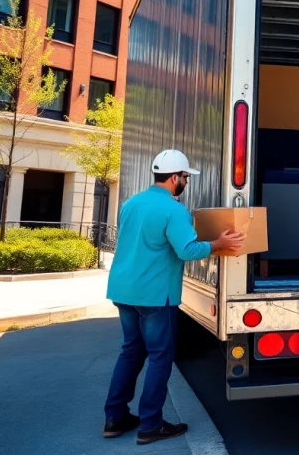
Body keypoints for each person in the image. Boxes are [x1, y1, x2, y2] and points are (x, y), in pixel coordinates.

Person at [103, 149, 245, 445]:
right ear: (174, 177)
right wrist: (218, 243)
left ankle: (115, 417)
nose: (186, 182)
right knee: (160, 356)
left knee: (130, 351)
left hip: (123, 290)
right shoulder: (173, 210)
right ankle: (150, 424)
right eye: (185, 177)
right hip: (154, 295)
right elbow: (187, 250)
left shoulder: (130, 203)